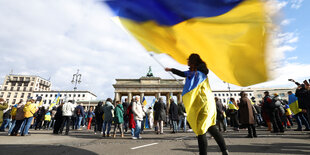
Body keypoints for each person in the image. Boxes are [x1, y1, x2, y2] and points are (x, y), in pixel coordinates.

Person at [165, 53, 228, 155]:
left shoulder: (197, 74)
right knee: (211, 127)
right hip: (207, 104)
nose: (187, 62)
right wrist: (171, 69)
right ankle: (225, 151)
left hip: (203, 105)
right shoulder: (196, 73)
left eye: (189, 60)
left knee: (201, 129)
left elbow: (191, 88)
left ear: (193, 61)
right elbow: (183, 73)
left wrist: (185, 90)